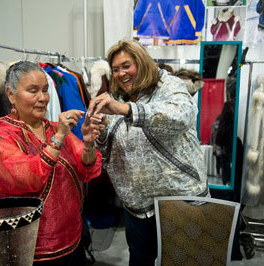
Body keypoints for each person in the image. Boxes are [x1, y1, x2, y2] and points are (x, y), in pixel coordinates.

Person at [87, 40, 208, 265]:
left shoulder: (168, 85)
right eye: (115, 69)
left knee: (185, 260)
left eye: (126, 65)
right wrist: (100, 134)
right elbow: (109, 153)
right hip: (137, 208)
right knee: (140, 261)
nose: (121, 73)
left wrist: (127, 110)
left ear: (141, 63)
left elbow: (181, 116)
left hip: (180, 200)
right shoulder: (115, 98)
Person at [0, 61, 104, 265]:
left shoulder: (55, 128)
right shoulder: (2, 136)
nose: (43, 98)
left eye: (46, 90)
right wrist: (58, 139)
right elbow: (26, 177)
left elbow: (86, 170)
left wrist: (89, 144)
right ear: (11, 94)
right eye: (33, 91)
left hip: (71, 237)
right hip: (31, 246)